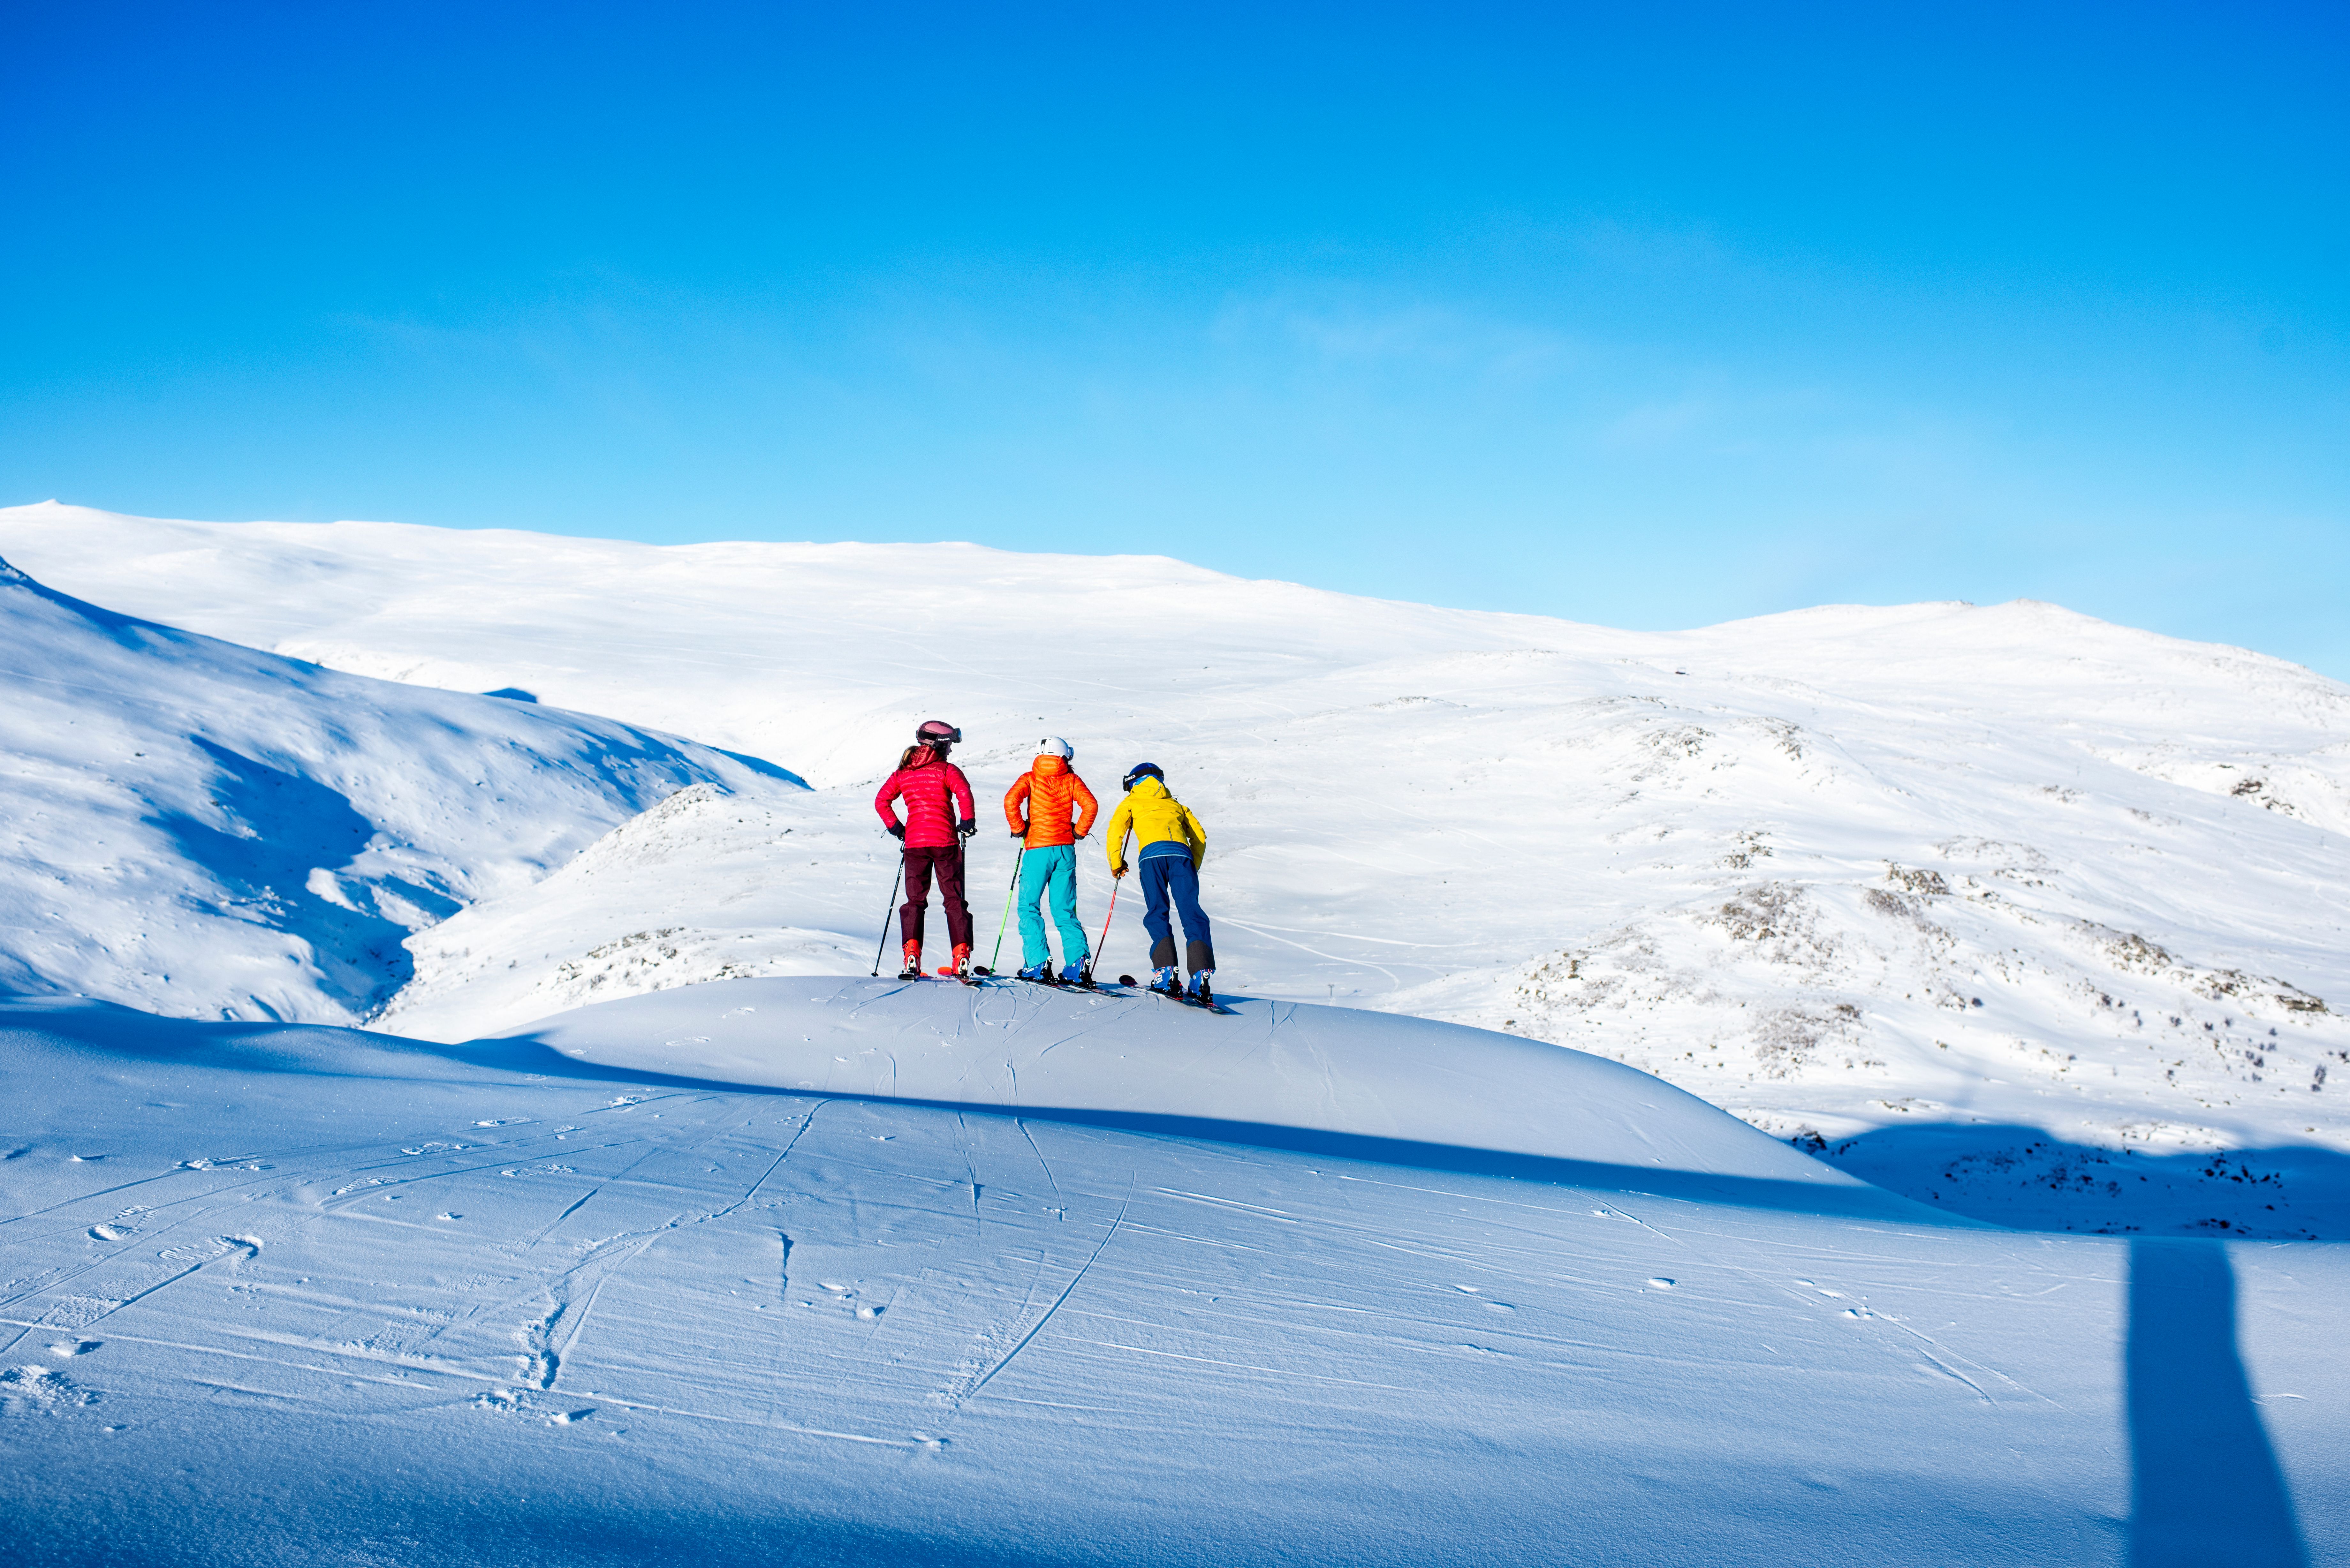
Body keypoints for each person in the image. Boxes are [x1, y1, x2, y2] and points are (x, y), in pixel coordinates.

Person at [874, 719, 977, 978]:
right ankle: (961, 956)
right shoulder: (947, 771)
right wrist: (967, 822)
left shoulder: (902, 773)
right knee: (954, 900)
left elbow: (882, 801)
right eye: (950, 745)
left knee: (915, 902)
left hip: (916, 845)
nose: (951, 751)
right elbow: (963, 792)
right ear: (940, 745)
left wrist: (898, 829)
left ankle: (911, 957)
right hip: (946, 843)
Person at [1103, 761, 1214, 1002]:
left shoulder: (1131, 802)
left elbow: (1115, 831)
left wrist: (1116, 863)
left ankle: (1166, 972)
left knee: (1158, 911)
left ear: (1134, 782)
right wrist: (1191, 867)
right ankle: (1200, 975)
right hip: (1181, 856)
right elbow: (1200, 838)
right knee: (1192, 913)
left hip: (1152, 857)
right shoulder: (1176, 805)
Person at [1002, 737, 1100, 983]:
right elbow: (1091, 805)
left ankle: (1037, 962)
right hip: (1065, 850)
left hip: (1038, 851)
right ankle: (1078, 965)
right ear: (1065, 756)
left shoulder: (1030, 778)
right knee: (1065, 910)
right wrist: (1079, 832)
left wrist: (1019, 829)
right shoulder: (1071, 779)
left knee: (1029, 906)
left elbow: (1011, 800)